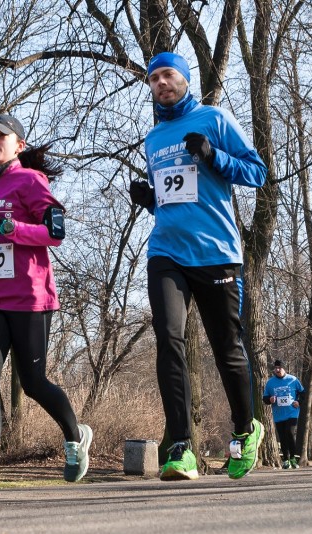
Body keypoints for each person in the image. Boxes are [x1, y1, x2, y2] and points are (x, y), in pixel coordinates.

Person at [128, 52, 268, 481]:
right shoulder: (153, 139)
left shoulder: (214, 119)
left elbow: (257, 172)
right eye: (153, 79)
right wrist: (152, 200)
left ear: (185, 78)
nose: (160, 84)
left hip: (216, 252)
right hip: (166, 251)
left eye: (168, 75)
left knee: (227, 348)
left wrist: (212, 155)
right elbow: (177, 198)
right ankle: (181, 447)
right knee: (168, 339)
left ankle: (246, 431)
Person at [0, 113, 93, 504]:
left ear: (19, 145)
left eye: (1, 136)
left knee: (33, 385)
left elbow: (55, 234)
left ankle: (75, 435)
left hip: (30, 298)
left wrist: (10, 229)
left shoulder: (32, 181)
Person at [263, 359, 304, 470]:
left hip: (292, 412)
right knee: (282, 437)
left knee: (289, 433)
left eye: (279, 368)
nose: (277, 370)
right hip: (278, 414)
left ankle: (293, 459)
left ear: (283, 368)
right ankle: (286, 460)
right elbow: (265, 398)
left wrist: (298, 402)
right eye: (275, 368)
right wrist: (270, 399)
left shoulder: (293, 380)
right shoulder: (270, 383)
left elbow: (302, 393)